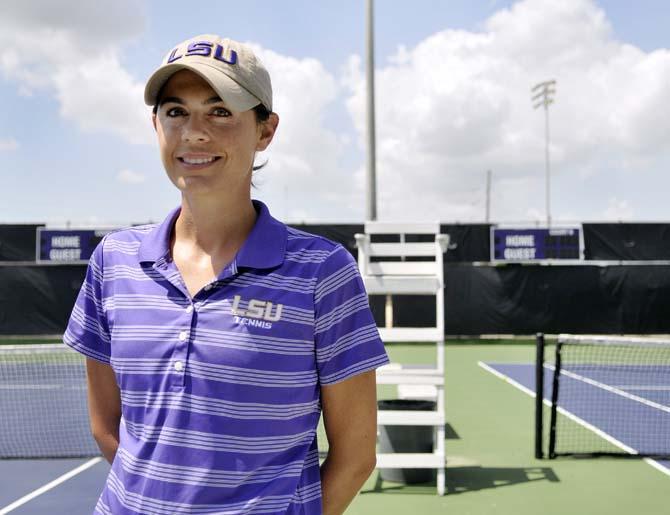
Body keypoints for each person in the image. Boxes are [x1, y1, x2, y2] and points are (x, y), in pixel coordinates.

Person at [64, 34, 389, 515]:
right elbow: (107, 427)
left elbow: (357, 456)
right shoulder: (114, 260)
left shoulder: (323, 272)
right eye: (176, 111)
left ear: (265, 131)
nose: (194, 132)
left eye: (220, 111)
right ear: (156, 125)